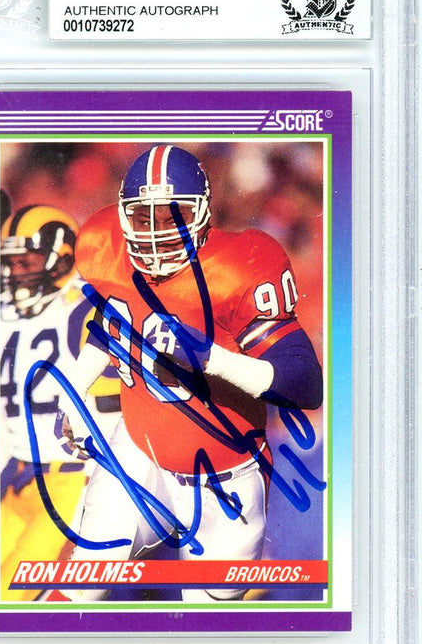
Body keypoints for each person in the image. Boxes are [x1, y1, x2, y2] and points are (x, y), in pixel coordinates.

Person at [57, 145, 323, 602]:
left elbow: (304, 382)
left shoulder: (239, 268)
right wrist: (73, 392)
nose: (156, 233)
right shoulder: (108, 249)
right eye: (143, 217)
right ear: (123, 216)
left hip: (226, 471)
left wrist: (213, 359)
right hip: (138, 449)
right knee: (82, 583)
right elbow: (112, 323)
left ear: (201, 212)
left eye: (172, 216)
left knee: (207, 617)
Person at [0, 204, 120, 602]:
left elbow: (113, 407)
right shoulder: (3, 312)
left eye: (27, 261)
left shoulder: (85, 308)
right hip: (16, 475)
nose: (15, 272)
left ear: (63, 256)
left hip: (67, 479)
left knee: (13, 598)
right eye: (10, 262)